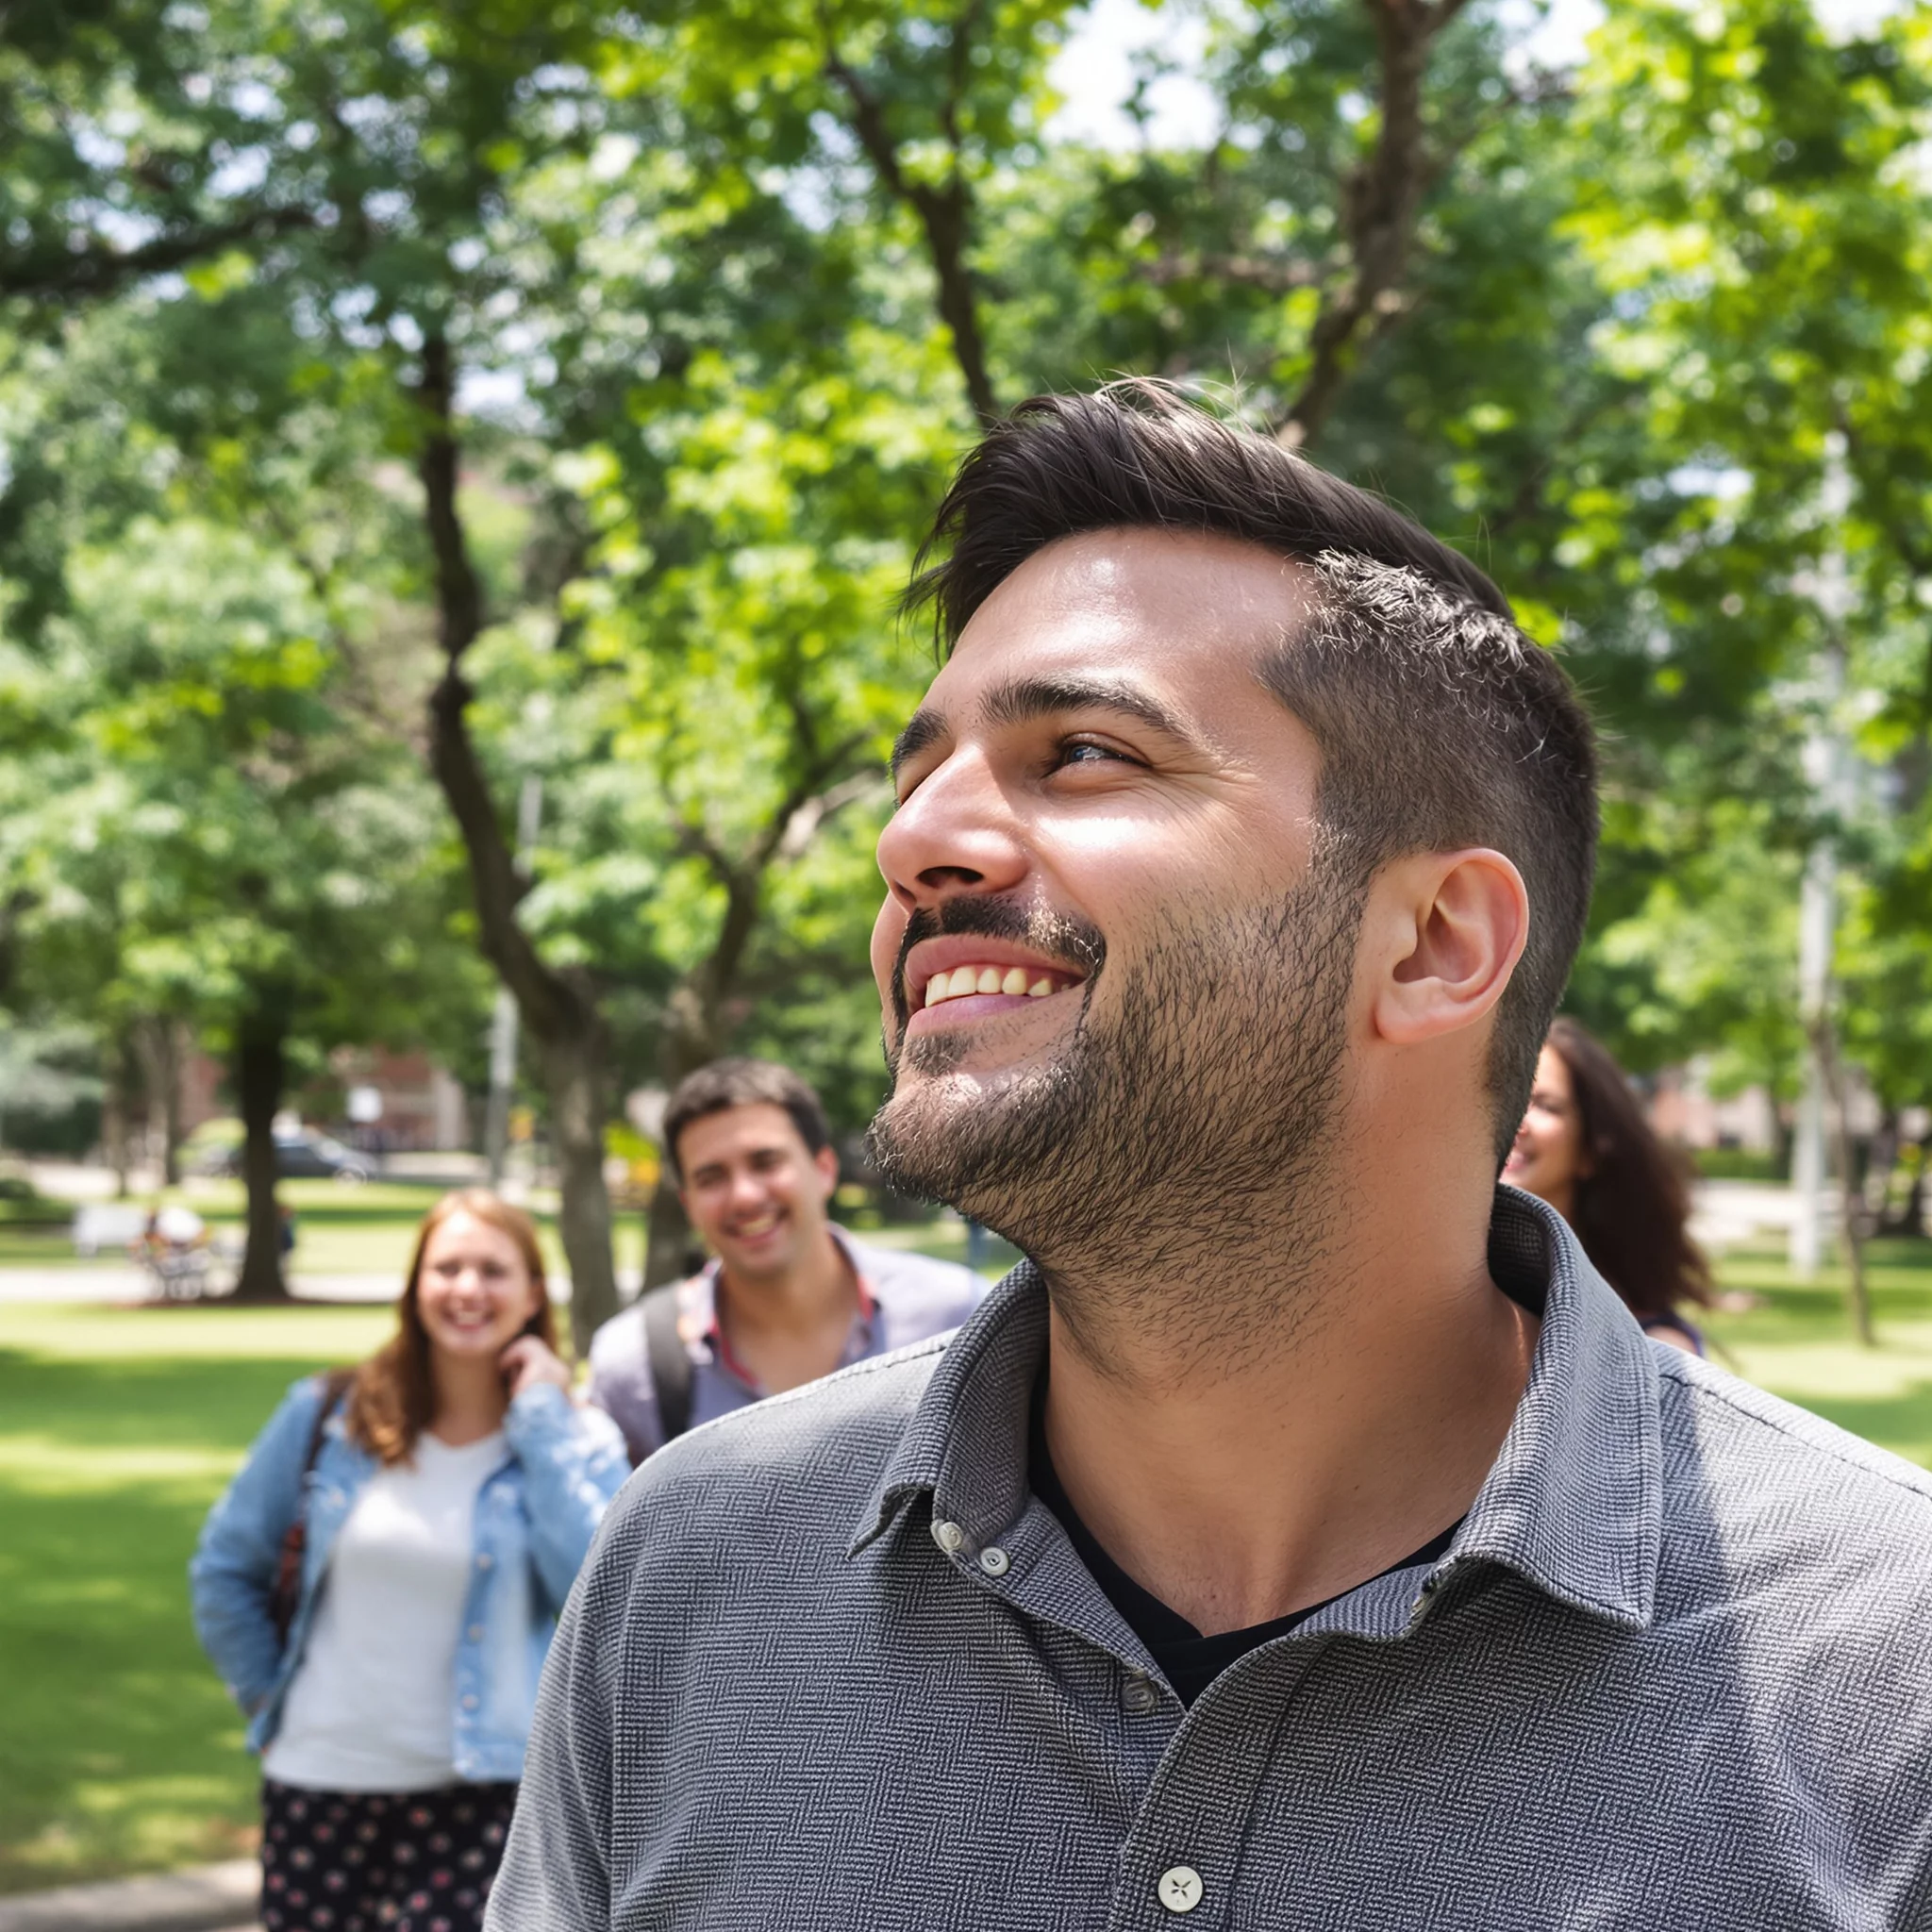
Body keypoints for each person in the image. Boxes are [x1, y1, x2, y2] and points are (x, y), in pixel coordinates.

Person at [492, 384, 1932, 1930]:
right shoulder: (688, 1573)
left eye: (1083, 752)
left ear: (1434, 944)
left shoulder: (1885, 1673)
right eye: (917, 778)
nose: (910, 843)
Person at [191, 1189, 626, 1932]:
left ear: (532, 1294)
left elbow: (595, 1594)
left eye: (493, 1270)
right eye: (446, 1268)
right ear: (416, 1285)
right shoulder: (328, 1414)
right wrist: (268, 1698)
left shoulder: (575, 1439)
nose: (467, 1289)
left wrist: (539, 1420)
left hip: (486, 1793)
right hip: (319, 1780)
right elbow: (225, 1569)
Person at [585, 1057, 984, 1462]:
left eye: (766, 1162)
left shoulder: (960, 1316)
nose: (744, 1196)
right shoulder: (635, 1368)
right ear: (688, 1204)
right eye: (711, 1178)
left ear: (824, 1169)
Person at [1505, 1017, 1713, 1353]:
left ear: (1591, 1149)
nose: (1517, 1121)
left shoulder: (1651, 1348)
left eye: (1546, 1106)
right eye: (1505, 1095)